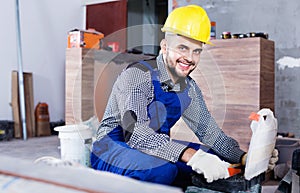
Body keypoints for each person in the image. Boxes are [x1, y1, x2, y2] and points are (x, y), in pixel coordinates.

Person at [91, 5, 278, 188]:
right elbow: (136, 134)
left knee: (216, 157)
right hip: (112, 148)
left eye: (196, 51)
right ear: (165, 47)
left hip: (153, 149)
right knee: (162, 170)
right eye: (182, 48)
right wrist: (191, 155)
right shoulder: (138, 75)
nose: (190, 58)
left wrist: (246, 158)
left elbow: (211, 135)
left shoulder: (188, 88)